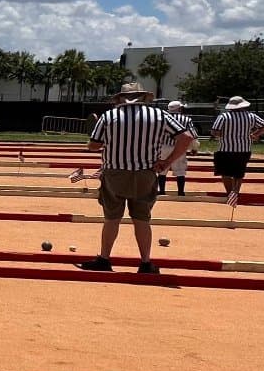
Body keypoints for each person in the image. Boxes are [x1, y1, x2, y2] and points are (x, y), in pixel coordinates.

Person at [79, 82, 195, 275]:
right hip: (145, 173)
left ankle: (104, 259)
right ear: (143, 97)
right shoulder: (159, 115)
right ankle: (145, 263)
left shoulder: (109, 116)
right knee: (142, 219)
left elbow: (94, 146)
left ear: (120, 98)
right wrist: (167, 162)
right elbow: (187, 137)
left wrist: (94, 142)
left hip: (115, 173)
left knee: (112, 218)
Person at [209, 96, 264, 198]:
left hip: (225, 149)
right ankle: (235, 193)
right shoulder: (251, 116)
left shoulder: (223, 117)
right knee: (239, 173)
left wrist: (226, 135)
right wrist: (255, 134)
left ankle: (230, 193)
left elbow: (215, 132)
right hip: (244, 149)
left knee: (225, 173)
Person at [163, 101, 194, 193]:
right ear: (179, 109)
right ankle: (180, 192)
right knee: (180, 170)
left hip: (163, 146)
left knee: (162, 170)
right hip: (179, 146)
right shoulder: (186, 119)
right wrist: (194, 148)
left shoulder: (163, 118)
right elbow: (192, 134)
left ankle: (161, 191)